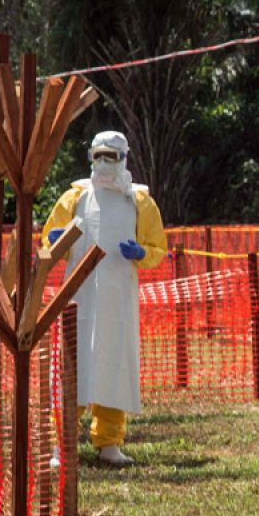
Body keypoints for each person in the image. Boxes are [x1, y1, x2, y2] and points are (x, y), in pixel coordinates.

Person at [41, 131, 167, 466]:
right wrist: (55, 242)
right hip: (78, 298)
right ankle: (61, 443)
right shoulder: (74, 198)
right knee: (72, 367)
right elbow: (48, 244)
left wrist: (142, 252)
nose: (104, 162)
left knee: (113, 366)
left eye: (110, 155)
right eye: (98, 155)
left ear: (124, 157)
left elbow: (158, 248)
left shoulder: (139, 202)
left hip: (117, 299)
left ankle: (109, 441)